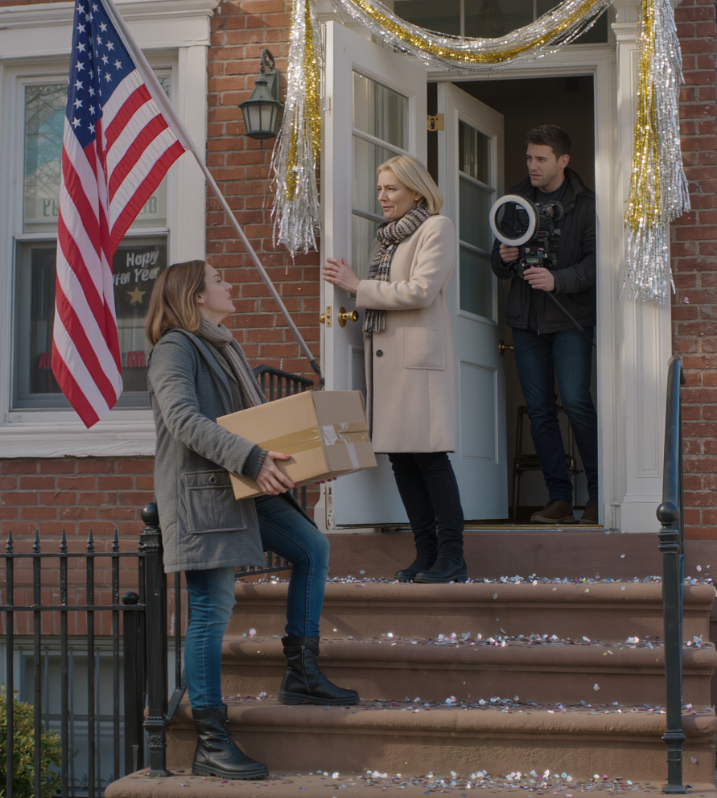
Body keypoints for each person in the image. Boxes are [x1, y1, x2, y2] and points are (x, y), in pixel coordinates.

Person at [145, 260, 359, 780]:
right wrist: (252, 459)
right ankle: (211, 742)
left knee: (312, 548)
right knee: (211, 610)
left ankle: (301, 674)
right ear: (196, 296)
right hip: (206, 494)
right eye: (218, 280)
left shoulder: (224, 345)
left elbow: (257, 425)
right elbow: (183, 420)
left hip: (242, 485)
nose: (229, 284)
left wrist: (306, 465)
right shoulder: (174, 347)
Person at [323, 155, 466, 583]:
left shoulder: (436, 227)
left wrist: (357, 286)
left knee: (431, 458)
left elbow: (422, 291)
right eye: (380, 189)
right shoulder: (385, 238)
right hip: (387, 362)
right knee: (402, 462)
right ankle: (425, 553)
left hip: (418, 362)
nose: (382, 197)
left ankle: (453, 556)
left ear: (417, 192)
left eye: (392, 189)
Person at [491, 125, 598, 525]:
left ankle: (598, 495)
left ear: (562, 160)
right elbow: (497, 264)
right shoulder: (514, 200)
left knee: (576, 402)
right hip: (526, 322)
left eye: (541, 159)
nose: (532, 166)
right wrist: (503, 257)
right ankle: (559, 500)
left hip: (571, 320)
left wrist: (558, 280)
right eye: (529, 158)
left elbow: (595, 265)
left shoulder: (586, 204)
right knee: (539, 411)